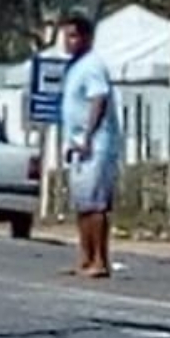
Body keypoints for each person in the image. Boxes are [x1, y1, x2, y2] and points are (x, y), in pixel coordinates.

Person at [59, 15, 122, 279]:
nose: (68, 41)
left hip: (95, 144)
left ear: (86, 38)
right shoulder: (75, 67)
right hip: (76, 144)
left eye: (73, 36)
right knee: (83, 203)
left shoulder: (93, 65)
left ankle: (100, 260)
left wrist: (88, 136)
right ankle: (85, 258)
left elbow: (99, 100)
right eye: (66, 36)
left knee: (96, 205)